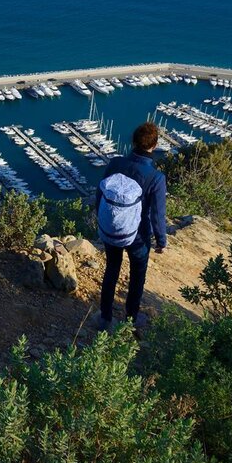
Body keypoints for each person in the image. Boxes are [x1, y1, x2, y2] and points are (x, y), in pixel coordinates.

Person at [95, 121, 168, 330]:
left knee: (111, 270)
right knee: (137, 276)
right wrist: (161, 241)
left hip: (112, 228)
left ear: (134, 142)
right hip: (138, 235)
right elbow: (157, 215)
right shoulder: (156, 177)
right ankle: (131, 319)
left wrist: (102, 220)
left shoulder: (115, 163)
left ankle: (105, 318)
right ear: (154, 146)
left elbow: (100, 194)